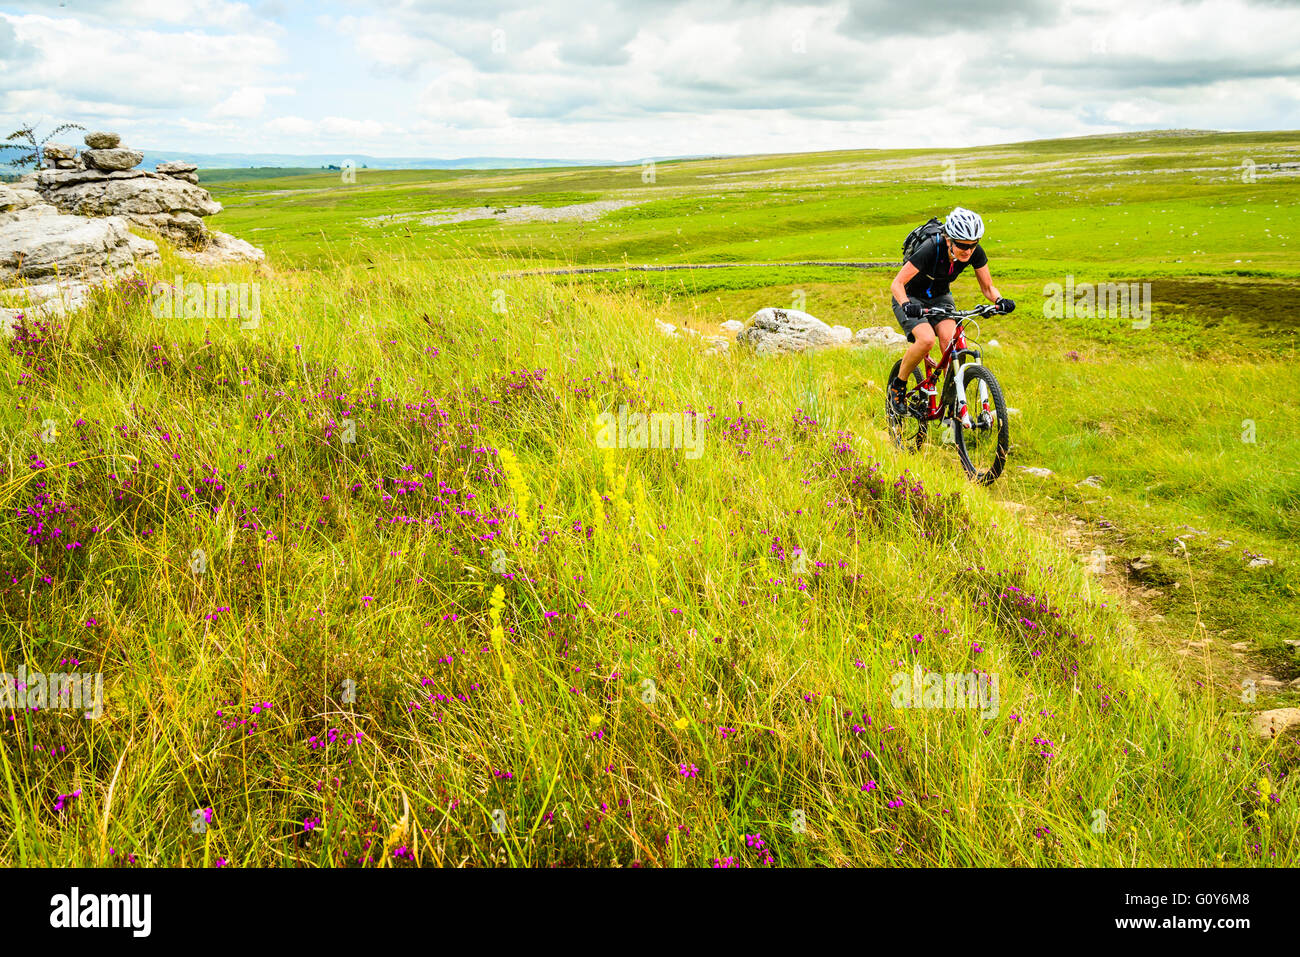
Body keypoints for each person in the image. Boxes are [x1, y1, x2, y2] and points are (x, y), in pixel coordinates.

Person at [887, 207, 1014, 414]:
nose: (968, 250)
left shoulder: (974, 252)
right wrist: (906, 305)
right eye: (963, 245)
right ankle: (898, 386)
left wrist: (1000, 300)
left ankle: (952, 401)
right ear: (949, 240)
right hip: (910, 297)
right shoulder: (931, 248)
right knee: (927, 339)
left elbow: (988, 288)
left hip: (940, 297)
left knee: (950, 340)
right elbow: (897, 284)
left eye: (973, 245)